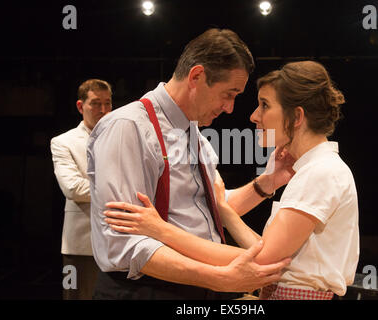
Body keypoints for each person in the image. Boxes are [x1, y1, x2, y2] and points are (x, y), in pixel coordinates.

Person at [104, 61, 360, 300]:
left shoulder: (320, 172)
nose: (253, 116)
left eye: (265, 105)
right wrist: (225, 208)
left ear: (297, 117)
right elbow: (264, 251)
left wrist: (160, 229)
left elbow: (261, 261)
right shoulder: (313, 170)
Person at [87, 28, 292, 300]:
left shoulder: (193, 132)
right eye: (228, 94)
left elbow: (214, 207)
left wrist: (269, 182)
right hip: (146, 288)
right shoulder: (128, 127)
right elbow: (125, 243)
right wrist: (219, 279)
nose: (230, 108)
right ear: (196, 76)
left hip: (197, 284)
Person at [51, 79, 112, 299]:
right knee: (75, 296)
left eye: (107, 103)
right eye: (96, 103)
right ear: (80, 106)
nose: (103, 110)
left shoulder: (122, 139)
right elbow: (73, 188)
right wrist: (118, 190)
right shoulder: (63, 142)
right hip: (80, 246)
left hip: (117, 242)